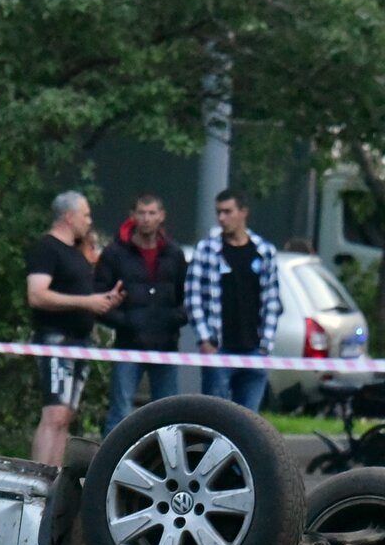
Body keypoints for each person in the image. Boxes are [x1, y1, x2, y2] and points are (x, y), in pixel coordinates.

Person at [26, 191, 125, 465]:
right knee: (54, 414)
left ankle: (54, 479)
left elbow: (82, 296)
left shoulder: (77, 254)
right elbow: (37, 295)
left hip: (80, 341)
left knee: (65, 416)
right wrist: (86, 302)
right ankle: (38, 474)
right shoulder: (46, 248)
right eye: (86, 215)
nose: (89, 221)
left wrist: (103, 302)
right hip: (56, 339)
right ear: (69, 217)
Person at [94, 194, 188, 435]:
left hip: (165, 345)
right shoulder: (115, 254)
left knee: (169, 413)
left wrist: (173, 320)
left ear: (161, 216)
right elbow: (99, 298)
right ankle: (109, 466)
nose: (146, 219)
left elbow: (187, 297)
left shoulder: (174, 255)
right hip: (129, 345)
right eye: (142, 213)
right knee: (120, 411)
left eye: (152, 213)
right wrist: (126, 323)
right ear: (133, 216)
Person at [185, 190, 281, 412]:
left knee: (249, 422)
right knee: (216, 416)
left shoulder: (264, 251)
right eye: (218, 212)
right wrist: (204, 340)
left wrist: (266, 345)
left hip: (254, 350)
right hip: (219, 348)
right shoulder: (206, 250)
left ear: (243, 212)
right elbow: (193, 297)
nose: (221, 218)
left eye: (227, 212)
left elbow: (272, 301)